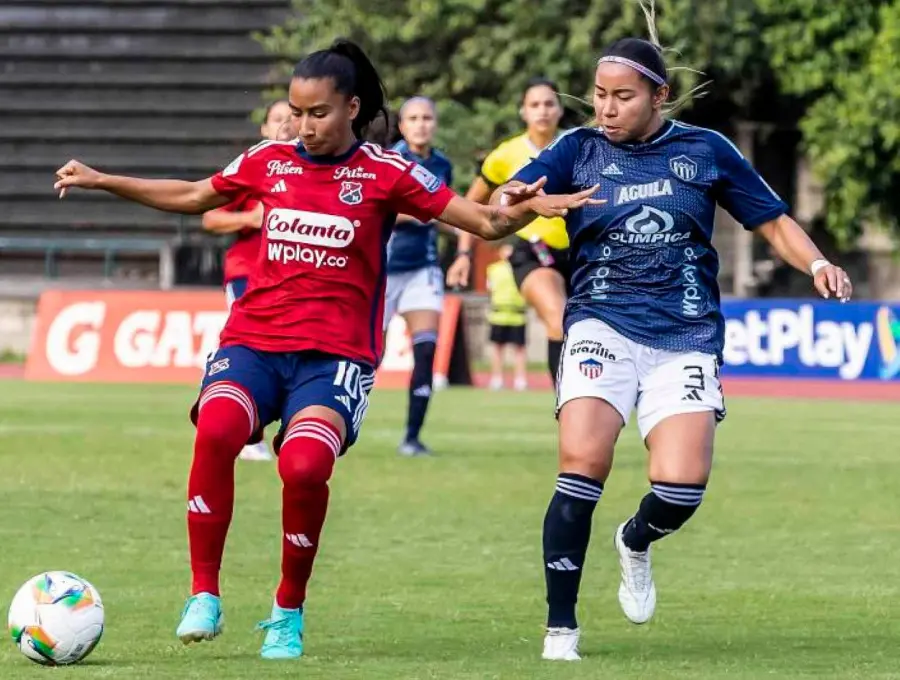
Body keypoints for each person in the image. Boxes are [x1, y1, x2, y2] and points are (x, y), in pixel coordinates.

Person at [53, 38, 600, 661]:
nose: (304, 126)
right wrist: (103, 180)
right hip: (254, 341)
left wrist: (524, 210)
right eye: (297, 111)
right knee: (217, 427)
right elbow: (194, 195)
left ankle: (287, 610)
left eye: (318, 113)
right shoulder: (269, 160)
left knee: (305, 466)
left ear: (351, 108)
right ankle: (203, 592)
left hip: (335, 359)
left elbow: (483, 221)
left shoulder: (388, 172)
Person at [498, 37, 854, 661]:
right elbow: (504, 202)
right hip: (600, 323)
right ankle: (561, 630)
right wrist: (522, 200)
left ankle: (635, 540)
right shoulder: (576, 149)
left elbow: (770, 220)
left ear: (659, 96)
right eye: (600, 95)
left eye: (623, 97)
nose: (606, 108)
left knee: (682, 487)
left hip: (685, 333)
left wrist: (818, 261)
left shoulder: (706, 149)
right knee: (582, 465)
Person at [447, 77, 568, 386]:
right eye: (535, 104)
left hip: (583, 254)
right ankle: (566, 405)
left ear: (560, 109)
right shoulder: (504, 155)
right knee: (559, 318)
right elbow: (470, 207)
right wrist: (463, 255)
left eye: (549, 103)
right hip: (534, 252)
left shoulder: (576, 145)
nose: (542, 110)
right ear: (523, 112)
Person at [201, 99, 293, 462]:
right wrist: (252, 219)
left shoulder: (316, 168)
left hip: (292, 279)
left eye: (292, 117)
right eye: (277, 118)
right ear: (264, 128)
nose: (286, 124)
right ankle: (246, 429)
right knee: (254, 347)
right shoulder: (255, 165)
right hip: (247, 272)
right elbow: (210, 218)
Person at [385, 97, 454, 456]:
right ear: (401, 124)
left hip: (423, 270)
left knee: (425, 351)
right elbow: (382, 211)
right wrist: (419, 213)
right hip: (383, 268)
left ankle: (412, 437)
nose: (421, 124)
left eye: (427, 117)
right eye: (413, 118)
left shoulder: (442, 164)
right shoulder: (389, 161)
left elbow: (447, 212)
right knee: (367, 356)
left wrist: (464, 249)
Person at [485, 242, 528, 391]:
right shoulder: (495, 269)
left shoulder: (518, 269)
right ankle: (502, 379)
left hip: (514, 314)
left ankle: (517, 379)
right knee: (500, 349)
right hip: (503, 314)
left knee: (516, 350)